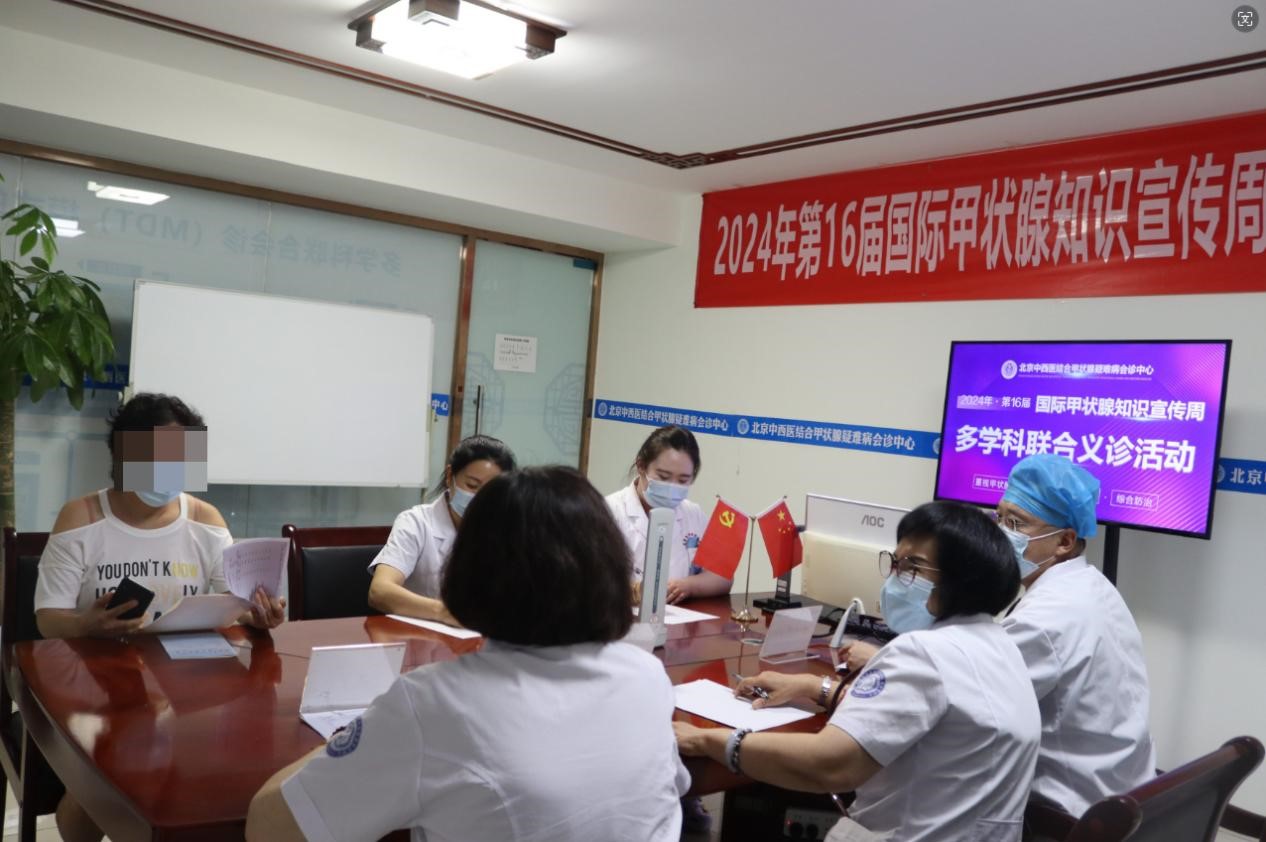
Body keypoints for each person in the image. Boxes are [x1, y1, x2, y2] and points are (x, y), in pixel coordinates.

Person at [246, 466, 690, 842]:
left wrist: (354, 735)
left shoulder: (435, 703)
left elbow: (269, 826)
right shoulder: (647, 676)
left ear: (470, 570)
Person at [674, 502, 1040, 842]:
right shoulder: (999, 645)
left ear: (962, 580)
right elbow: (927, 716)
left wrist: (711, 741)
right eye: (895, 563)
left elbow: (828, 765)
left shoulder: (925, 652)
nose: (895, 578)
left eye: (912, 567)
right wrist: (814, 686)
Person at [33, 392, 285, 842]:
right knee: (108, 774)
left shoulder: (205, 519)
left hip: (189, 682)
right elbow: (48, 619)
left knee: (220, 764)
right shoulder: (81, 518)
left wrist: (257, 613)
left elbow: (233, 600)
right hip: (101, 682)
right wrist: (86, 625)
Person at [993, 453, 1156, 816]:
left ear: (1065, 541)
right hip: (1122, 789)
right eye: (999, 517)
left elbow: (971, 701)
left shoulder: (1045, 618)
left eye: (1016, 523)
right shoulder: (1092, 585)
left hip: (1070, 813)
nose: (1001, 533)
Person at [367, 435, 516, 623]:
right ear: (449, 476)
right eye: (472, 485)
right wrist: (445, 613)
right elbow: (380, 591)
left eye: (491, 490)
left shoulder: (506, 528)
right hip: (421, 634)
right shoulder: (416, 522)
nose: (480, 498)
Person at [605, 425, 730, 604]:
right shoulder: (609, 512)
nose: (672, 487)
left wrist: (687, 586)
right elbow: (590, 583)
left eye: (683, 480)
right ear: (641, 466)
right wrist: (637, 592)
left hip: (682, 616)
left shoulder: (693, 514)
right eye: (663, 477)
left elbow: (723, 576)